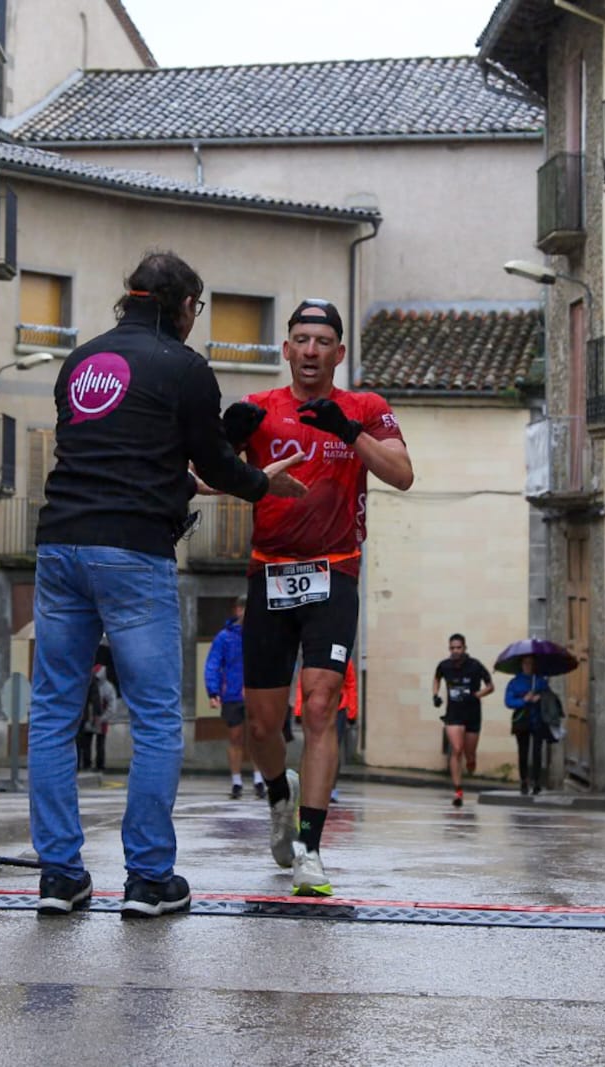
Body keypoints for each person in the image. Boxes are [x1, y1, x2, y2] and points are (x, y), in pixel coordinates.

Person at [26, 250, 307, 919]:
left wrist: (193, 482)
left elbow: (118, 456)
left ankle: (60, 877)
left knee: (52, 711)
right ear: (181, 304)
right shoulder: (183, 366)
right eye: (198, 306)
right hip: (131, 552)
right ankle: (149, 878)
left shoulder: (81, 361)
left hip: (61, 545)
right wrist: (263, 482)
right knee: (155, 716)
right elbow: (211, 454)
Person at [227, 297, 415, 896]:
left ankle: (310, 849)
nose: (310, 351)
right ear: (285, 350)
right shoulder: (260, 410)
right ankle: (278, 797)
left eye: (322, 341)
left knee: (321, 703)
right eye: (300, 340)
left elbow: (403, 474)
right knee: (261, 724)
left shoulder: (366, 407)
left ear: (339, 352)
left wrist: (349, 431)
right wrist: (228, 453)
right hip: (269, 574)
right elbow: (199, 480)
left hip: (335, 572)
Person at [205, 596, 265, 799]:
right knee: (236, 737)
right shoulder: (224, 637)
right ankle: (237, 781)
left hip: (256, 693)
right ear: (238, 610)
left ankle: (259, 779)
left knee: (257, 735)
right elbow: (213, 663)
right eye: (244, 608)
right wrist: (213, 692)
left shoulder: (260, 634)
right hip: (232, 694)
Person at [432, 634, 494, 807]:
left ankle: (471, 760)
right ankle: (458, 790)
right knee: (457, 749)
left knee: (469, 753)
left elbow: (490, 686)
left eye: (458, 648)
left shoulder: (475, 666)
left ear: (465, 648)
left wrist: (478, 695)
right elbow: (436, 679)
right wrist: (435, 695)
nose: (455, 651)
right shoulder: (444, 666)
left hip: (472, 713)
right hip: (453, 714)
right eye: (452, 648)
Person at [295, 660, 357, 803]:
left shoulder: (345, 659)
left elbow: (351, 684)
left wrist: (352, 712)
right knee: (312, 747)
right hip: (314, 708)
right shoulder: (311, 658)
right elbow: (302, 685)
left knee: (333, 747)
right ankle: (310, 786)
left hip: (338, 709)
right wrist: (298, 710)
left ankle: (331, 788)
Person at [505, 656, 554, 795]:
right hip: (522, 721)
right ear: (521, 664)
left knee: (537, 751)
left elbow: (549, 697)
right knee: (523, 751)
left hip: (537, 720)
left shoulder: (540, 681)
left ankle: (537, 781)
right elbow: (508, 701)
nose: (528, 666)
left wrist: (540, 697)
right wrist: (524, 700)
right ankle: (524, 780)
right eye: (526, 663)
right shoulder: (515, 682)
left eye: (531, 663)